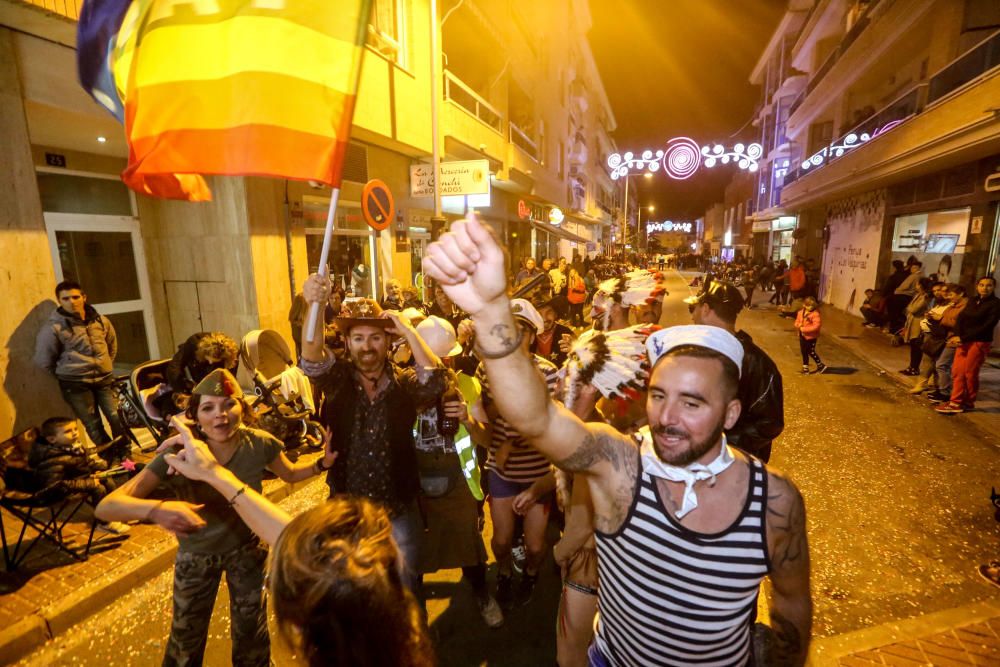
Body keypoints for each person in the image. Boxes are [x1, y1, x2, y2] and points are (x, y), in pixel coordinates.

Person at [422, 213, 812, 666]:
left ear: (731, 413)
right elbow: (535, 417)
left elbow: (791, 604)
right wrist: (490, 309)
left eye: (692, 403)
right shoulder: (622, 464)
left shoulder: (775, 502)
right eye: (659, 395)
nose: (667, 417)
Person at [96, 368, 337, 666]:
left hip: (248, 552)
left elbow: (288, 473)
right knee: (186, 638)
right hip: (196, 557)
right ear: (195, 417)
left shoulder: (259, 443)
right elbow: (107, 506)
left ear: (243, 408)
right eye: (208, 408)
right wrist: (156, 509)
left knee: (252, 635)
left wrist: (322, 464)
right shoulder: (181, 454)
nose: (220, 415)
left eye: (228, 404)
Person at [147, 421, 435, 667]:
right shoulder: (404, 652)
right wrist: (214, 472)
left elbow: (305, 547)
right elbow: (312, 556)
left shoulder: (259, 445)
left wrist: (214, 475)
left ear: (297, 630)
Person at [297, 284, 446, 592]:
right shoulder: (337, 380)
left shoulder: (404, 383)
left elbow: (433, 378)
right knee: (350, 592)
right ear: (348, 343)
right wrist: (314, 304)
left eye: (376, 337)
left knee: (406, 589)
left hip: (398, 510)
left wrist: (408, 330)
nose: (367, 346)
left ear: (388, 342)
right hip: (346, 512)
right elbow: (311, 356)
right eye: (359, 338)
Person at [409, 316, 503, 627]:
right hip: (416, 485)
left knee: (468, 547)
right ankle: (416, 612)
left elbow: (487, 438)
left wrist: (467, 418)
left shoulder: (466, 384)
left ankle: (482, 595)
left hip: (458, 482)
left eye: (445, 358)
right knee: (415, 553)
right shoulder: (405, 388)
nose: (441, 364)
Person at [474, 298, 559, 608]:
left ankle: (532, 574)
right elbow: (488, 418)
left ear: (532, 336)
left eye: (520, 332)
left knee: (537, 547)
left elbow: (549, 427)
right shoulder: (486, 370)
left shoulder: (548, 374)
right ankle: (506, 574)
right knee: (500, 541)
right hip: (502, 472)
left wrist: (515, 442)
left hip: (538, 473)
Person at [686, 280, 784, 462]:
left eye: (694, 309)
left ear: (706, 309)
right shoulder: (695, 353)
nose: (692, 316)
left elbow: (770, 423)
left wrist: (722, 444)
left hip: (737, 469)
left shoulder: (755, 362)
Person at [34, 280, 124, 447]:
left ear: (84, 297)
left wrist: (104, 365)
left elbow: (111, 345)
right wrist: (67, 373)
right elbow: (44, 360)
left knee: (117, 418)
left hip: (104, 380)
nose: (71, 301)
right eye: (65, 298)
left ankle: (125, 454)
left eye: (75, 297)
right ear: (59, 301)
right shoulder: (53, 328)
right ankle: (111, 456)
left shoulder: (100, 321)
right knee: (93, 425)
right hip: (76, 385)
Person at [31, 417, 131, 534]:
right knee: (98, 488)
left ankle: (115, 509)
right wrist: (89, 482)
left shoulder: (74, 446)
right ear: (52, 439)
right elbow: (56, 484)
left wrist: (100, 468)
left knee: (106, 479)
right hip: (61, 490)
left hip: (78, 480)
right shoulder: (52, 459)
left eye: (75, 429)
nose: (74, 433)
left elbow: (84, 463)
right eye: (68, 431)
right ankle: (104, 522)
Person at [935, 276, 1000, 414]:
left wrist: (963, 337)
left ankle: (967, 402)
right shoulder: (972, 300)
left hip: (979, 341)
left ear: (994, 287)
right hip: (963, 340)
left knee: (970, 373)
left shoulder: (995, 303)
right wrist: (957, 335)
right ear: (977, 286)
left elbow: (987, 325)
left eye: (989, 285)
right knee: (957, 371)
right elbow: (961, 318)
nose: (984, 288)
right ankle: (955, 401)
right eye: (981, 285)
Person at [153, 331, 239, 419]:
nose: (211, 362)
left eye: (215, 361)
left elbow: (230, 379)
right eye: (209, 359)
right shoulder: (194, 343)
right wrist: (184, 392)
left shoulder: (229, 356)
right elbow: (174, 369)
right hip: (191, 380)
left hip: (211, 383)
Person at [927, 284, 968, 404]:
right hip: (948, 338)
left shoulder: (964, 307)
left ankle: (945, 392)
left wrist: (940, 318)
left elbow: (959, 324)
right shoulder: (954, 305)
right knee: (944, 365)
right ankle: (943, 390)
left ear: (960, 294)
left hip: (955, 339)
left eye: (951, 294)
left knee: (942, 365)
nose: (948, 297)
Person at [900, 278, 932, 375]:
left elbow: (913, 309)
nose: (916, 286)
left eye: (917, 284)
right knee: (913, 346)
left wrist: (909, 308)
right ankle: (911, 366)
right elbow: (910, 308)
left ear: (921, 285)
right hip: (913, 322)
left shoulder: (925, 297)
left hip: (918, 324)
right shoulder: (918, 295)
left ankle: (915, 368)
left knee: (916, 347)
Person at [532, 298, 575, 368]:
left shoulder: (566, 333)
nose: (544, 319)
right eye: (538, 314)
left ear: (555, 314)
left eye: (549, 312)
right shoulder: (529, 335)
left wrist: (575, 349)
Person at [795, 296, 827, 374]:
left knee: (810, 351)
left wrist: (804, 329)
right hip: (802, 335)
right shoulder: (800, 313)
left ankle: (820, 365)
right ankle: (805, 368)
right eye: (808, 305)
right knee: (804, 351)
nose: (810, 307)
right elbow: (796, 321)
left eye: (812, 306)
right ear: (804, 305)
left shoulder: (815, 314)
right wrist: (798, 325)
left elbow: (816, 326)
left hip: (811, 336)